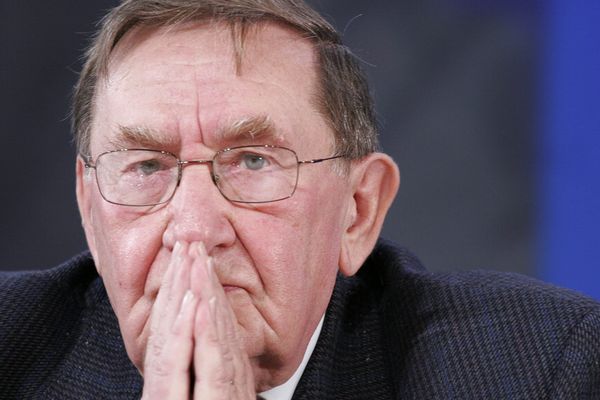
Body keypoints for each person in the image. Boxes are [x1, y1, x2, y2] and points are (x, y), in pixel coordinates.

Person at [0, 0, 598, 399]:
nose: (194, 227)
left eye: (253, 160)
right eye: (148, 166)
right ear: (89, 209)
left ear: (358, 211)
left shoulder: (541, 367)